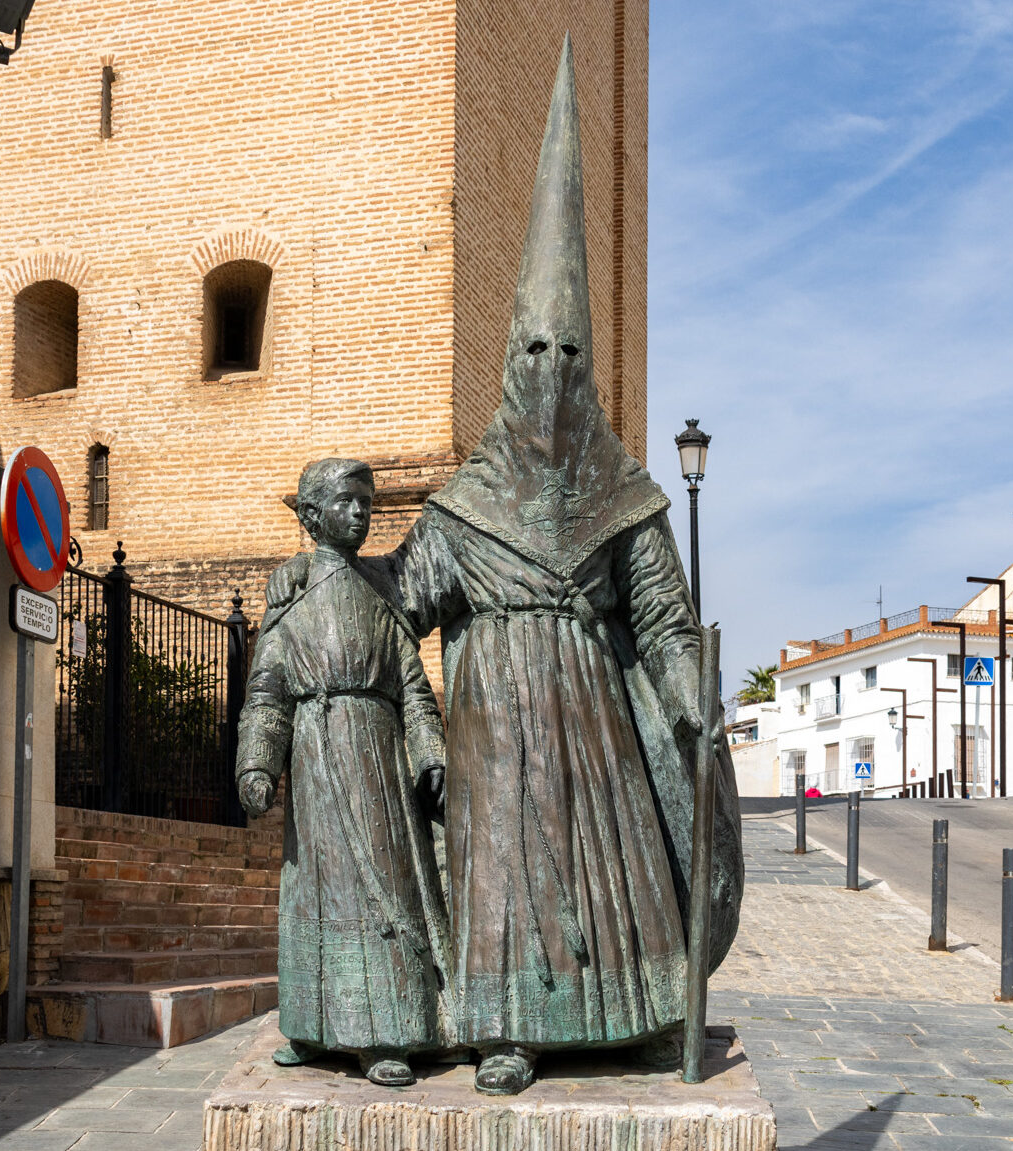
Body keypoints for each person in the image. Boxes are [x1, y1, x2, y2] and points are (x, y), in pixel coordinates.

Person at [268, 40, 741, 1096]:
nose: (552, 370)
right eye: (535, 351)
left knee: (602, 870)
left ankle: (636, 1013)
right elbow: (406, 593)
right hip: (488, 726)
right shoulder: (462, 501)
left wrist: (686, 692)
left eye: (568, 354)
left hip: (588, 714)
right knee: (504, 872)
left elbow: (662, 619)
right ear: (508, 360)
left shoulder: (625, 496)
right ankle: (504, 1028)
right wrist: (322, 573)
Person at [235, 458, 451, 1087]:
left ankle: (385, 1033)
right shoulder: (290, 602)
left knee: (382, 890)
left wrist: (429, 753)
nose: (361, 513)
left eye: (367, 502)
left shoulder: (383, 599)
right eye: (348, 501)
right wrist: (257, 764)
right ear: (311, 516)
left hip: (379, 766)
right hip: (316, 760)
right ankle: (310, 1026)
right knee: (314, 895)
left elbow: (414, 689)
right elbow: (266, 695)